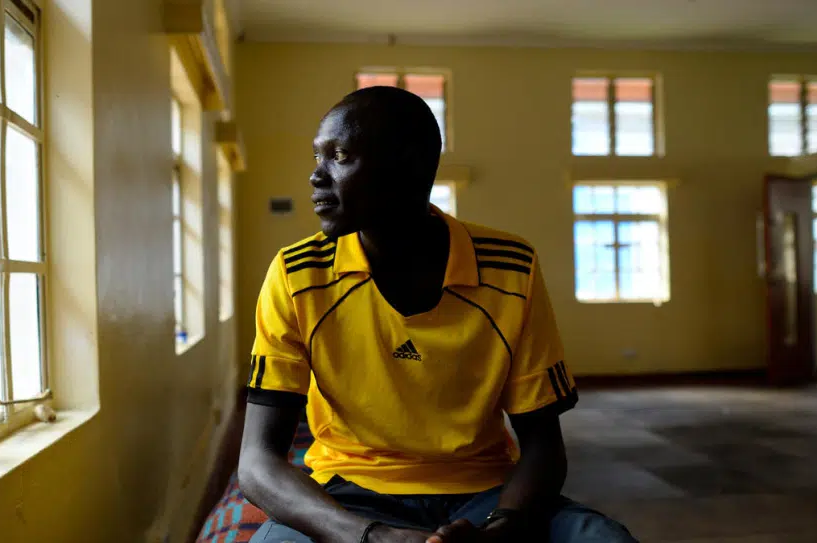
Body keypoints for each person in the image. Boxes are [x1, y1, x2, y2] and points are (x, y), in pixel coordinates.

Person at [237, 86, 638, 543]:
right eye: (317, 156)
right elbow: (256, 463)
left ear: (409, 164)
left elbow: (544, 445)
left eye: (340, 156)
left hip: (483, 493)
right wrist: (373, 536)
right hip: (350, 495)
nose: (315, 176)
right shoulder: (297, 273)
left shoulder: (510, 268)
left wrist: (503, 527)